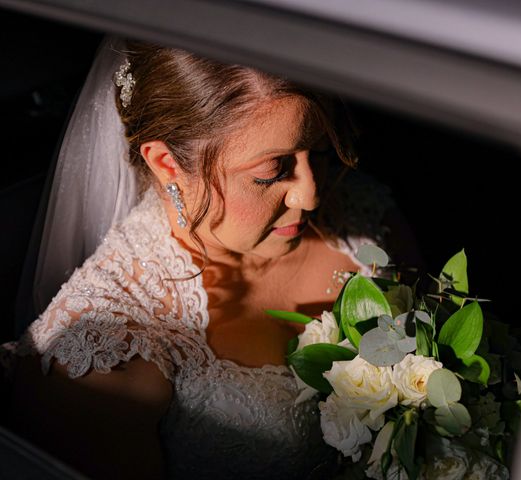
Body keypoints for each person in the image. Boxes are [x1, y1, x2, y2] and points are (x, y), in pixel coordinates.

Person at [1, 38, 424, 479]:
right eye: (271, 171)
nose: (311, 194)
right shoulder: (99, 362)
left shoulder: (366, 215)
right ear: (166, 163)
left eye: (318, 150)